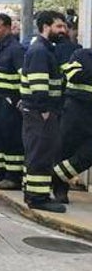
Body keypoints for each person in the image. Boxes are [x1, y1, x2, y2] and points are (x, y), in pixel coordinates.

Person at [20, 10, 68, 213]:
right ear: (46, 27)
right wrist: (44, 109)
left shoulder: (45, 49)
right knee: (41, 153)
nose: (63, 30)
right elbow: (39, 83)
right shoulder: (41, 51)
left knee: (37, 152)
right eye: (59, 26)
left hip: (38, 111)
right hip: (41, 112)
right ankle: (38, 197)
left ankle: (32, 192)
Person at [0, 13, 26, 190]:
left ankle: (14, 176)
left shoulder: (15, 49)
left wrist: (20, 99)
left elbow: (24, 76)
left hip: (8, 101)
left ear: (8, 28)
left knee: (10, 138)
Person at [53, 47, 92, 203]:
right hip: (76, 111)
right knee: (65, 149)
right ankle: (60, 190)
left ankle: (54, 175)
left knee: (88, 154)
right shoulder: (80, 54)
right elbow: (74, 75)